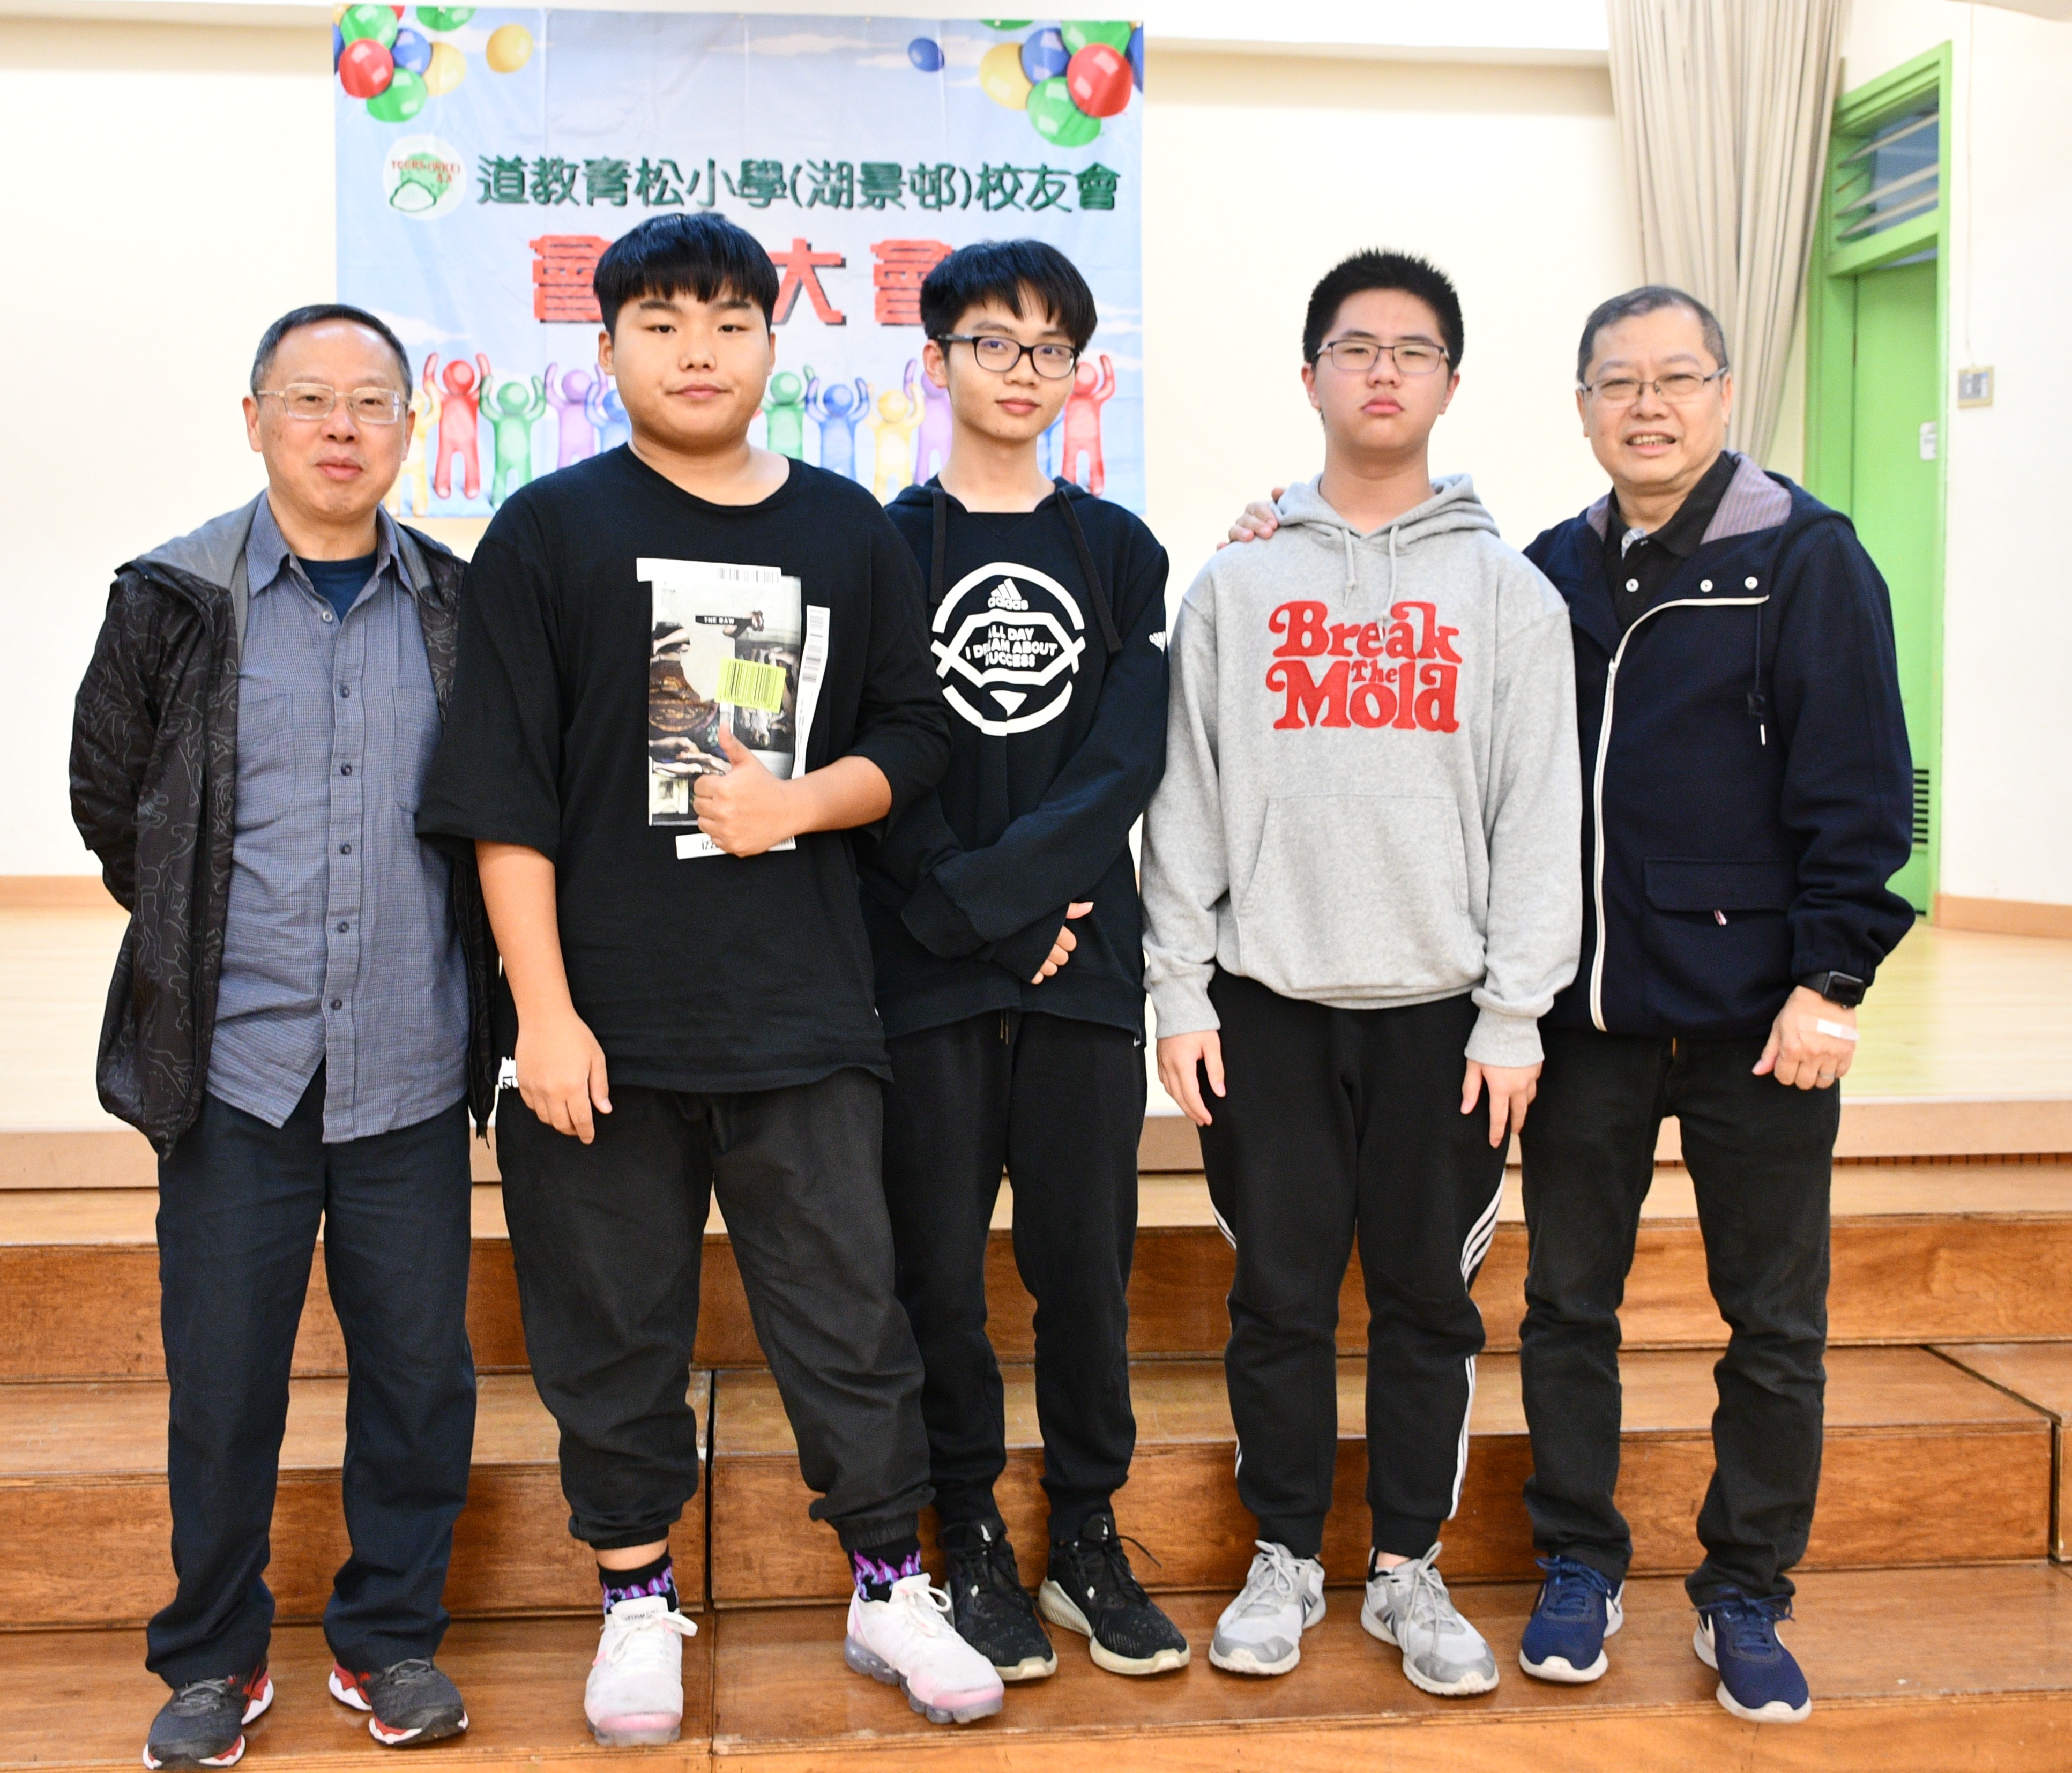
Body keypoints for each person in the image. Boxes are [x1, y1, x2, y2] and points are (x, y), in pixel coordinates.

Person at [1225, 282, 1914, 1725]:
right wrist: (1276, 538)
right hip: (1584, 1020)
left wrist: (1831, 981)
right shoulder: (1549, 571)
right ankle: (1581, 1563)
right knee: (1565, 1310)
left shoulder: (1807, 559)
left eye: (1677, 378)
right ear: (1583, 405)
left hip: (1761, 1025)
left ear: (1724, 393)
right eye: (1618, 383)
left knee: (1773, 1323)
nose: (1647, 406)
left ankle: (1746, 1589)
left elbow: (1861, 794)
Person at [413, 211, 1003, 1747]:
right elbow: (504, 797)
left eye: (731, 322)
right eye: (663, 324)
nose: (699, 351)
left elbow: (916, 738)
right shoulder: (547, 532)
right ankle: (634, 1599)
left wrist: (797, 804)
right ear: (606, 347)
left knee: (849, 1316)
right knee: (610, 1325)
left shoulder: (845, 529)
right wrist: (543, 1015)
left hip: (801, 1007)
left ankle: (887, 1586)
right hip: (602, 1025)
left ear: (772, 344)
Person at [1144, 250, 1581, 1700]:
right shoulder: (1238, 581)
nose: (1383, 370)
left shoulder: (1508, 593)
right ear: (1312, 375)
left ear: (1451, 383)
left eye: (1413, 350)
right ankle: (1284, 1556)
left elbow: (1541, 817)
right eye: (1355, 346)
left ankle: (1406, 1567)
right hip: (1266, 1008)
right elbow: (1187, 797)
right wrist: (1181, 989)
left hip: (1445, 1021)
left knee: (1427, 1305)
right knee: (1277, 1301)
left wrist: (1515, 1012)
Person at [70, 303, 489, 1768]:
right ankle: (212, 1658)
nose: (340, 427)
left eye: (371, 402)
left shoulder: (457, 602)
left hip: (411, 1058)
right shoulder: (173, 597)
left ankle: (392, 1641)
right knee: (225, 1381)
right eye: (310, 399)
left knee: (421, 1379)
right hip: (236, 1069)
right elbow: (112, 805)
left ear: (410, 429)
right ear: (254, 419)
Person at [859, 240, 1186, 1684]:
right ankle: (973, 1535)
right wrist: (987, 913)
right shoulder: (881, 545)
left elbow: (1124, 762)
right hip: (926, 966)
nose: (1021, 371)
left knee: (1085, 1272)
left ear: (1078, 375)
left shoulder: (1115, 549)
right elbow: (872, 759)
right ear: (936, 363)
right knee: (935, 1271)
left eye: (1050, 349)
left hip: (1082, 971)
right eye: (993, 343)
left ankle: (1089, 1534)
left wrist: (1023, 902)